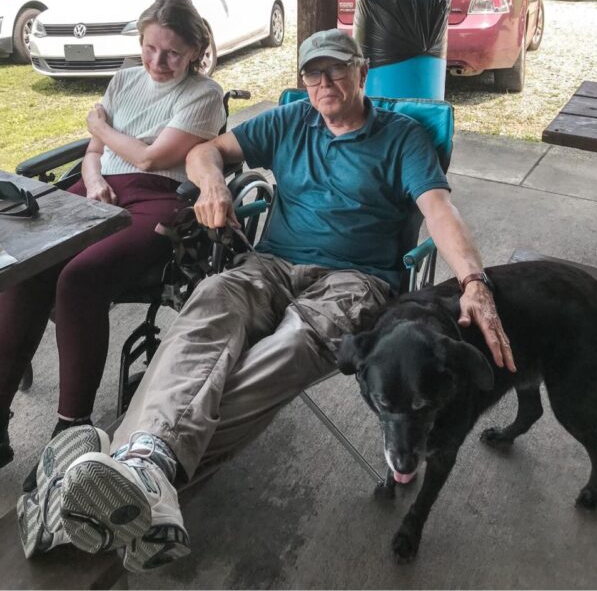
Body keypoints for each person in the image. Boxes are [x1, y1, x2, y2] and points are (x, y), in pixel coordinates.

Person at [16, 29, 516, 572]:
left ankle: (126, 465)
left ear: (363, 70)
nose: (324, 84)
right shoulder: (290, 119)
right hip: (271, 265)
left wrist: (474, 283)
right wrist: (212, 185)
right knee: (207, 307)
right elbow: (205, 150)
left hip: (355, 280)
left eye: (336, 70)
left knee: (291, 344)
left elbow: (440, 211)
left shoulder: (402, 137)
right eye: (312, 73)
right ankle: (144, 476)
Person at [0, 0, 226, 477]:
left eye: (171, 53)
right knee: (27, 269)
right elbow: (94, 154)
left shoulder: (203, 95)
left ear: (194, 51)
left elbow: (149, 160)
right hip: (96, 190)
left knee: (78, 278)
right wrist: (97, 173)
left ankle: (71, 428)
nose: (158, 62)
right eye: (149, 48)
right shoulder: (123, 79)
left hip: (160, 197)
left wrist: (98, 125)